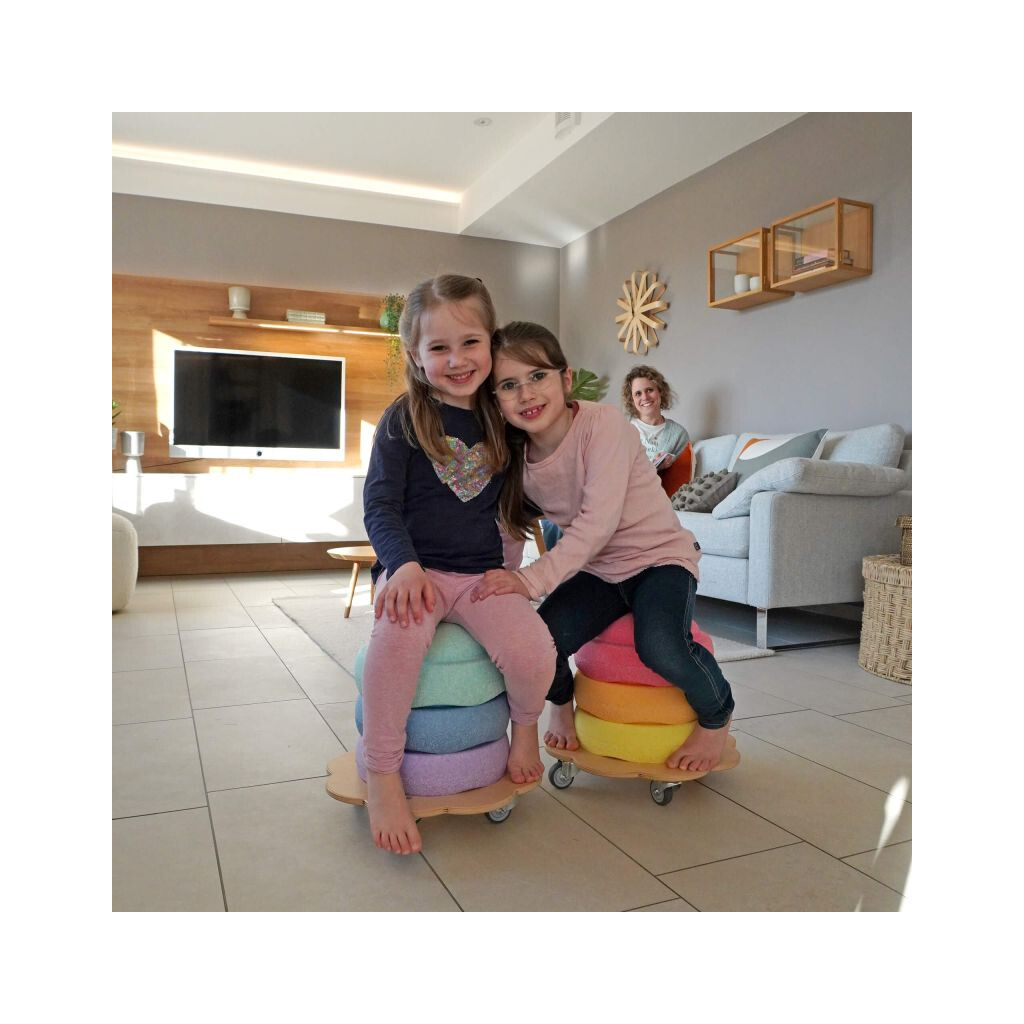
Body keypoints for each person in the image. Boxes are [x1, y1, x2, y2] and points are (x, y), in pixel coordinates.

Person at [473, 322, 734, 774]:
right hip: (599, 572)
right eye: (509, 385)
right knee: (537, 643)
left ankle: (717, 715)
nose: (526, 393)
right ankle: (561, 703)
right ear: (495, 400)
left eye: (538, 376)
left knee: (661, 646)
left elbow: (598, 523)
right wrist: (505, 589)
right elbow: (510, 528)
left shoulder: (604, 425)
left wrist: (529, 580)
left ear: (565, 379)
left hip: (660, 560)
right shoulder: (515, 458)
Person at [361, 278, 556, 856]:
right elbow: (379, 504)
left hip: (479, 576)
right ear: (415, 356)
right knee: (393, 648)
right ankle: (382, 774)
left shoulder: (503, 419)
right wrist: (401, 566)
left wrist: (516, 578)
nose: (457, 360)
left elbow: (519, 503)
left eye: (470, 342)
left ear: (491, 341)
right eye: (438, 348)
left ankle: (526, 731)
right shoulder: (403, 418)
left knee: (534, 651)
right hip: (415, 571)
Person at [622, 365, 689, 471]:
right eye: (638, 393)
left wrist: (672, 462)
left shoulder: (678, 434)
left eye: (649, 390)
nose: (645, 397)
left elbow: (685, 473)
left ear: (660, 391)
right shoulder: (623, 432)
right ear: (632, 400)